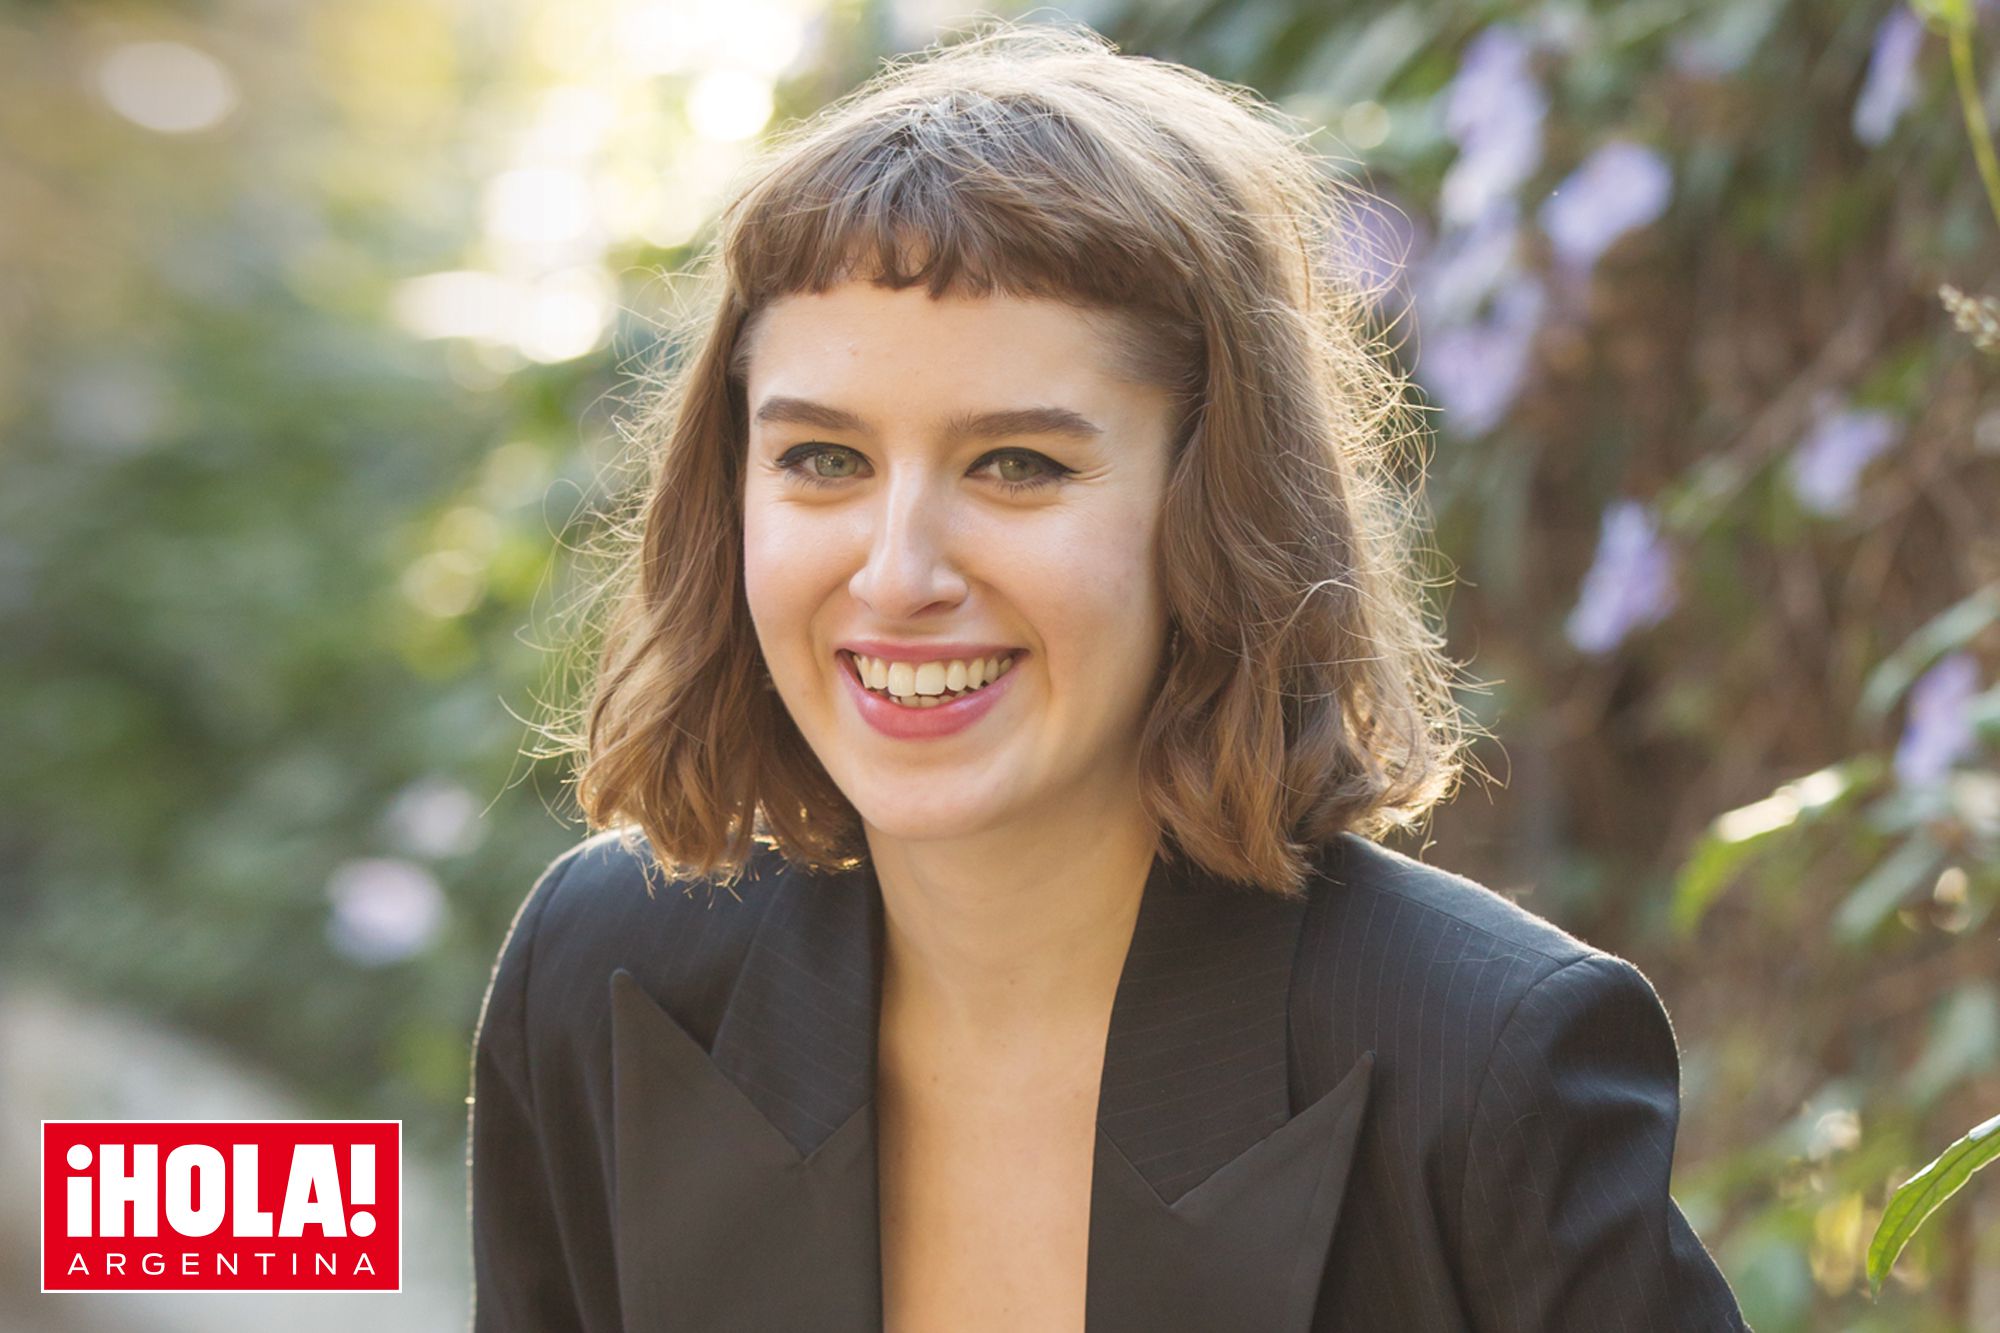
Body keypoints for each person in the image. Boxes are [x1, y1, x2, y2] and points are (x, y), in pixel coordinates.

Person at [468, 18, 1748, 1332]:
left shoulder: (1489, 1064)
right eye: (824, 460)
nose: (897, 573)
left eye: (1017, 465)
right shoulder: (606, 970)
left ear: (1217, 509)